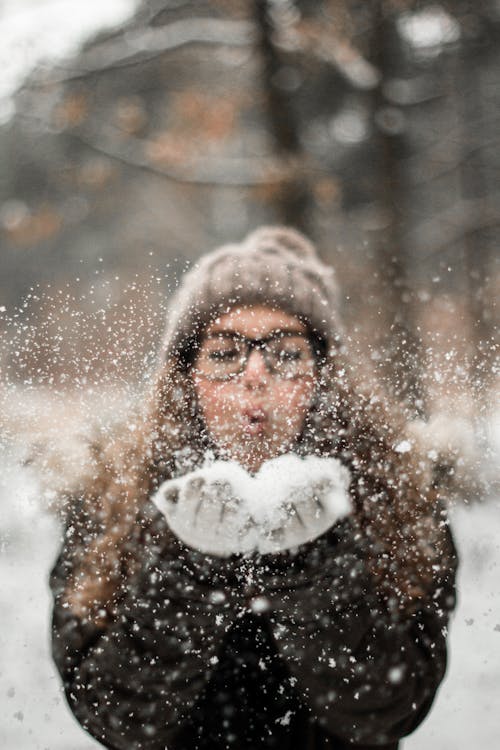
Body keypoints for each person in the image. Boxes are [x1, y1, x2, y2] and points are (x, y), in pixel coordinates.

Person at [50, 227, 457, 750]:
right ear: (185, 375)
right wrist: (191, 572)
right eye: (224, 354)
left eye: (285, 353)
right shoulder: (113, 496)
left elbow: (390, 709)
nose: (255, 374)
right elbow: (116, 717)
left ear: (324, 375)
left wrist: (313, 566)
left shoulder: (398, 493)